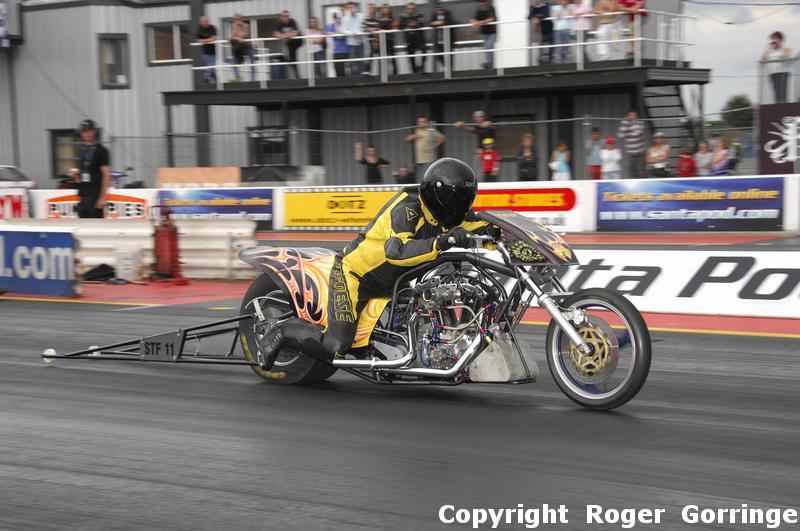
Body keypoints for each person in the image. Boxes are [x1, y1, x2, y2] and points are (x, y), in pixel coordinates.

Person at [255, 159, 499, 370]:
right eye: (454, 199)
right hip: (355, 276)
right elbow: (397, 252)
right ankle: (281, 331)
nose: (459, 207)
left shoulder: (454, 214)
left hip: (395, 283)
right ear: (437, 195)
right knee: (336, 346)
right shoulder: (408, 208)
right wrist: (442, 242)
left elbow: (483, 226)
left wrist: (501, 235)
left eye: (464, 200)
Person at [68, 119, 110, 219]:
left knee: (96, 226)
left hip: (95, 196)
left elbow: (106, 175)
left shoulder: (101, 150)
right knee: (83, 225)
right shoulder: (80, 150)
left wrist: (102, 198)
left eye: (89, 130)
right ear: (81, 133)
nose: (87, 133)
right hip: (83, 196)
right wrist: (75, 175)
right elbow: (79, 176)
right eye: (84, 131)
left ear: (94, 131)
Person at [762, 31, 792, 104]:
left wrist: (780, 45)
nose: (774, 40)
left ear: (780, 39)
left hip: (782, 72)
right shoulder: (770, 51)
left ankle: (783, 106)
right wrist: (769, 47)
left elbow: (787, 57)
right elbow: (763, 58)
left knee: (782, 92)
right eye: (772, 39)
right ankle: (777, 106)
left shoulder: (785, 49)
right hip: (772, 73)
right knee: (776, 92)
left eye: (776, 38)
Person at [273, 10, 302, 79]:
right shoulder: (278, 23)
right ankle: (296, 75)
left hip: (297, 42)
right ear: (281, 17)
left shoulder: (292, 21)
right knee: (292, 57)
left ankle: (286, 59)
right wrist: (288, 35)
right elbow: (275, 34)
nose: (286, 17)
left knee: (292, 54)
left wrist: (283, 36)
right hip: (288, 42)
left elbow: (295, 33)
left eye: (287, 16)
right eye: (284, 16)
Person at [617, 110, 646, 179]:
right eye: (630, 115)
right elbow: (620, 135)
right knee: (632, 173)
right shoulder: (624, 122)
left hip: (640, 152)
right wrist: (627, 124)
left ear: (637, 116)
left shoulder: (640, 123)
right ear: (627, 116)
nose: (632, 117)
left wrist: (627, 130)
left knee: (641, 173)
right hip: (631, 153)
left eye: (634, 115)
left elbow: (637, 133)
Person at [400, 2, 426, 74]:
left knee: (424, 50)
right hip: (409, 39)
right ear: (406, 9)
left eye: (412, 9)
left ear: (415, 9)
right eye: (409, 9)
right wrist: (410, 24)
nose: (411, 10)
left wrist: (411, 25)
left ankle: (422, 66)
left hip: (419, 38)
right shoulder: (403, 16)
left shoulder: (419, 14)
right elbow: (400, 25)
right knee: (411, 56)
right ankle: (414, 72)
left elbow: (421, 23)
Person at [229, 14, 256, 82]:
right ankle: (238, 77)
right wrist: (237, 37)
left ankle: (253, 80)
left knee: (253, 63)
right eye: (235, 20)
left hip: (248, 47)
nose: (237, 21)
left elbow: (244, 35)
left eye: (238, 19)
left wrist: (236, 36)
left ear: (241, 19)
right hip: (239, 48)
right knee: (232, 61)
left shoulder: (246, 25)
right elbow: (231, 37)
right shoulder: (233, 26)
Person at [342, 2, 366, 76]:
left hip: (360, 43)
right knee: (353, 63)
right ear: (347, 9)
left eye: (352, 7)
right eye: (349, 8)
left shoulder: (361, 16)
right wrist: (352, 33)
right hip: (351, 44)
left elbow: (364, 26)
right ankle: (355, 79)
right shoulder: (345, 18)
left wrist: (359, 32)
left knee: (361, 61)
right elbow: (344, 30)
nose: (351, 9)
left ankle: (362, 78)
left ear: (355, 8)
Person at [472, 1, 497, 69]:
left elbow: (491, 19)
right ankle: (489, 65)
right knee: (486, 48)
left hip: (492, 32)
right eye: (480, 2)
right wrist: (474, 22)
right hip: (484, 33)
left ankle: (488, 63)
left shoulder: (491, 8)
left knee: (489, 46)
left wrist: (480, 22)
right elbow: (474, 19)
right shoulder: (479, 10)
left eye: (483, 1)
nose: (482, 3)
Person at [430, 3, 454, 73]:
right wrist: (434, 23)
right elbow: (430, 23)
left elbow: (450, 22)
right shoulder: (434, 15)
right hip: (439, 39)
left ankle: (450, 70)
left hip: (448, 38)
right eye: (438, 10)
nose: (440, 11)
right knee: (438, 54)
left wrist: (440, 23)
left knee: (448, 54)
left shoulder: (448, 13)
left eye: (441, 9)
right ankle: (445, 67)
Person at [529, 0, 553, 65]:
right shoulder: (533, 6)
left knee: (550, 47)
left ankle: (550, 63)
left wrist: (538, 18)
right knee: (540, 47)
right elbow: (529, 16)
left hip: (549, 29)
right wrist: (534, 18)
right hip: (539, 30)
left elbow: (546, 14)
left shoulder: (546, 4)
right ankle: (540, 63)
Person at [196, 16, 218, 84]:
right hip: (204, 53)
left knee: (210, 68)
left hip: (212, 52)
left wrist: (205, 40)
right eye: (203, 21)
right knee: (209, 69)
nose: (205, 22)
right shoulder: (200, 29)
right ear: (201, 22)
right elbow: (199, 40)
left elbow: (215, 38)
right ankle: (214, 81)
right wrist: (208, 39)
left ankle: (206, 80)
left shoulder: (212, 28)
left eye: (206, 21)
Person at [378, 4, 399, 75]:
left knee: (393, 58)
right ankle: (382, 74)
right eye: (384, 8)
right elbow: (378, 28)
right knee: (382, 59)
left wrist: (387, 30)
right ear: (382, 10)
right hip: (382, 41)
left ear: (389, 10)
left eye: (386, 8)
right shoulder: (379, 19)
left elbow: (395, 27)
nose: (385, 10)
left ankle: (395, 74)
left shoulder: (392, 18)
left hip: (390, 40)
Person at [551, 0, 574, 64]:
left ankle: (567, 63)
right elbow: (558, 16)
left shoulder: (570, 7)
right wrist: (561, 8)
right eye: (562, 1)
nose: (564, 2)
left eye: (565, 1)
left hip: (567, 29)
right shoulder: (556, 7)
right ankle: (558, 63)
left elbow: (571, 16)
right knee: (558, 47)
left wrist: (568, 9)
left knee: (566, 47)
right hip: (557, 29)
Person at [326, 13, 348, 77]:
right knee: (336, 65)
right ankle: (339, 79)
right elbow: (328, 32)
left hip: (343, 49)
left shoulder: (343, 25)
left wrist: (336, 33)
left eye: (338, 18)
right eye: (335, 18)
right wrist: (336, 33)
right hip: (336, 50)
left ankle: (343, 79)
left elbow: (343, 34)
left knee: (340, 65)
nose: (337, 20)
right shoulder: (331, 25)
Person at [363, 3, 382, 75]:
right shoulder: (365, 19)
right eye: (370, 8)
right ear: (368, 9)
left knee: (380, 56)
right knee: (369, 55)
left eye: (373, 8)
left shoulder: (378, 19)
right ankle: (367, 72)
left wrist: (376, 40)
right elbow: (363, 28)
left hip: (377, 40)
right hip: (368, 41)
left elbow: (379, 28)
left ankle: (381, 72)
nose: (371, 10)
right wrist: (370, 29)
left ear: (375, 9)